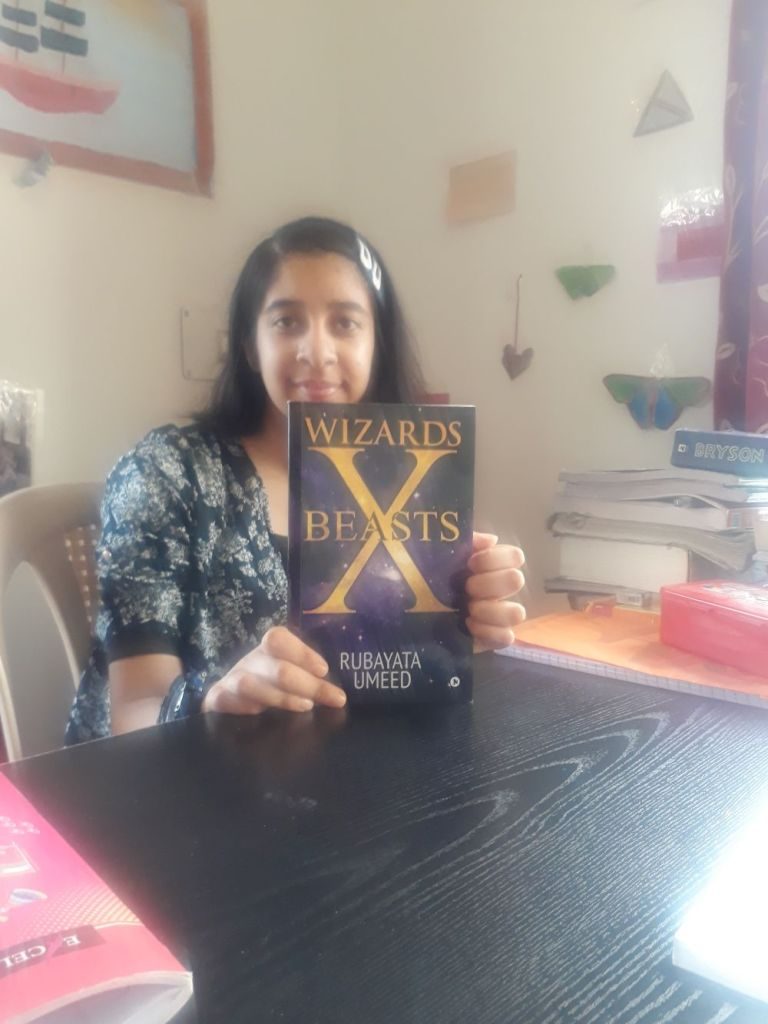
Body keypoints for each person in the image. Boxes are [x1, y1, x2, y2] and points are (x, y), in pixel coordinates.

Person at [65, 217, 526, 744]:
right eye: (286, 322)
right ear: (249, 345)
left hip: (343, 774)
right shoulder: (167, 473)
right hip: (181, 780)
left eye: (345, 323)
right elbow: (132, 711)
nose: (317, 352)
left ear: (376, 342)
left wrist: (463, 624)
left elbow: (402, 683)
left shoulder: (407, 483)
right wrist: (212, 702)